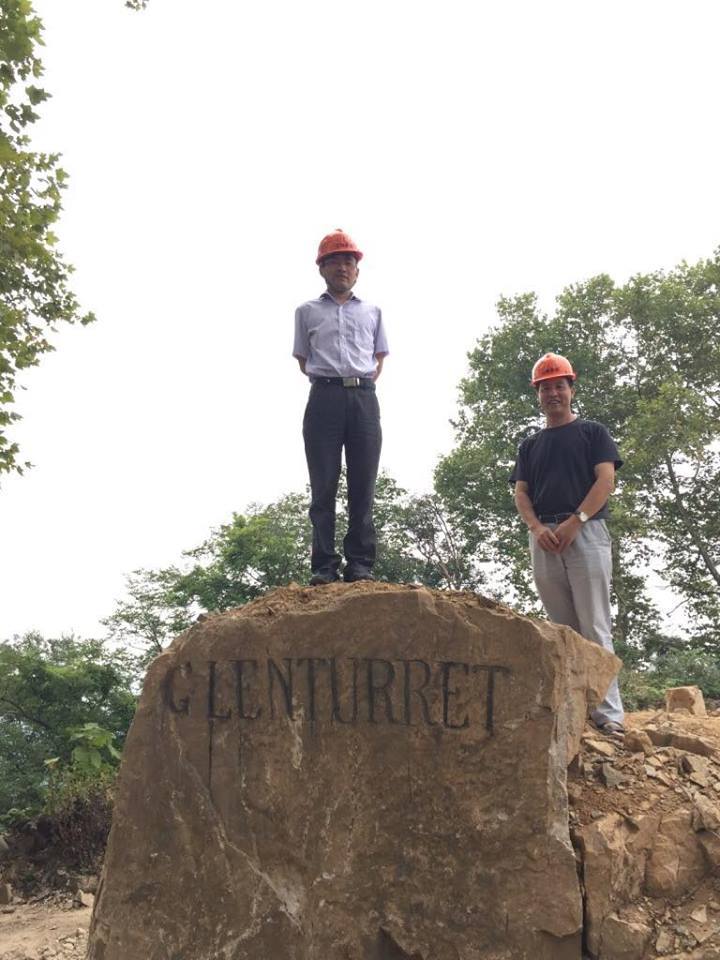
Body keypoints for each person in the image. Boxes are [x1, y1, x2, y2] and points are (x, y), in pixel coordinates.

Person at [510, 352, 625, 737]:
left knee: (594, 623)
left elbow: (605, 481)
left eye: (559, 385)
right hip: (543, 538)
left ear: (571, 389)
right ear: (537, 395)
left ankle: (609, 716)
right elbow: (522, 493)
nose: (553, 393)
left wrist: (577, 521)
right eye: (545, 387)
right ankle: (575, 710)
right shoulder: (530, 446)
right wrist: (536, 527)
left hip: (587, 534)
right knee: (562, 628)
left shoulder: (594, 433)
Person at [293, 229, 389, 585]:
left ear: (357, 270)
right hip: (324, 398)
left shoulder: (373, 312)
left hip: (364, 398)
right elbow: (303, 359)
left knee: (363, 485)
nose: (342, 267)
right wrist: (332, 382)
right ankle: (324, 566)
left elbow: (379, 359)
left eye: (349, 261)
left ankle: (361, 564)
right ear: (322, 268)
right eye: (334, 261)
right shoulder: (306, 312)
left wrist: (358, 384)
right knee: (323, 485)